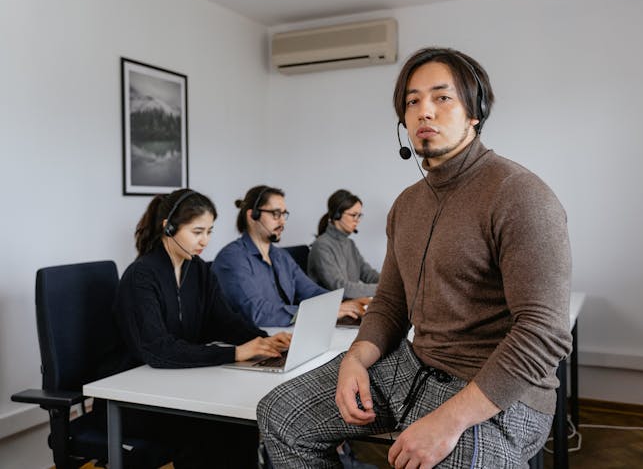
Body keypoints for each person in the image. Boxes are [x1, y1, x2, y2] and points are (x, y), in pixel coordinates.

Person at [258, 47, 572, 468]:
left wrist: (448, 420)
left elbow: (542, 334)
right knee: (280, 416)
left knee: (445, 459)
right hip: (415, 366)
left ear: (474, 112)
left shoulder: (520, 195)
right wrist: (354, 359)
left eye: (442, 98)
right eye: (412, 101)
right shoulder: (406, 205)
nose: (425, 111)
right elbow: (390, 304)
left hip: (499, 388)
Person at [112, 188, 291, 468]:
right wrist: (234, 354)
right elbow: (157, 350)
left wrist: (265, 340)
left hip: (182, 384)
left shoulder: (198, 270)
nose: (205, 241)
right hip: (141, 396)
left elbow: (224, 320)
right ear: (168, 228)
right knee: (218, 427)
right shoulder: (141, 276)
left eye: (209, 231)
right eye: (197, 232)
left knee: (240, 421)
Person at [212, 185, 367, 327]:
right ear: (252, 216)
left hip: (285, 332)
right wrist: (321, 311)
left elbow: (311, 291)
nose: (282, 221)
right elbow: (257, 312)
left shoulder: (280, 256)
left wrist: (342, 304)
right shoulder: (232, 259)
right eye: (275, 214)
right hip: (255, 340)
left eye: (284, 214)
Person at [308, 189, 380, 298]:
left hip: (349, 304)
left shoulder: (350, 244)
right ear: (337, 215)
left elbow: (368, 273)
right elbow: (340, 288)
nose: (357, 220)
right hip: (332, 309)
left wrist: (391, 283)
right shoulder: (321, 246)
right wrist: (382, 289)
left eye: (359, 215)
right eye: (353, 215)